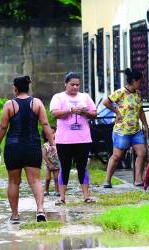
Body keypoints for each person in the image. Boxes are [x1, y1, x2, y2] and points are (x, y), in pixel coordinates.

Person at [0, 75, 55, 223]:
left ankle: (15, 216)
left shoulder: (9, 105)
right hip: (32, 146)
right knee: (35, 181)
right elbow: (46, 125)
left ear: (15, 89)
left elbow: (3, 126)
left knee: (14, 182)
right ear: (28, 88)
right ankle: (40, 210)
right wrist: (52, 144)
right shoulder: (37, 103)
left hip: (13, 147)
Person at [50, 72, 97, 205]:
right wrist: (70, 111)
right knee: (64, 167)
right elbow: (55, 113)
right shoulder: (58, 97)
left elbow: (94, 113)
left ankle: (86, 196)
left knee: (82, 166)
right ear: (66, 84)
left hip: (83, 138)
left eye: (77, 85)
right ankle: (62, 197)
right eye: (72, 85)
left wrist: (84, 112)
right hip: (64, 139)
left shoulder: (85, 97)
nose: (75, 87)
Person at [102, 68, 149, 188]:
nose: (141, 84)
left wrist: (145, 125)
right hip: (122, 130)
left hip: (135, 130)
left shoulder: (138, 94)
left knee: (142, 152)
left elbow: (140, 110)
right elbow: (105, 102)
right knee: (117, 156)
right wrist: (117, 112)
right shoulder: (121, 92)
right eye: (140, 81)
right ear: (134, 81)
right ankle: (107, 180)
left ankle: (138, 179)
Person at [41, 126, 60, 197]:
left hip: (57, 163)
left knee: (56, 178)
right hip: (49, 164)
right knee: (48, 178)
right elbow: (44, 155)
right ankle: (46, 190)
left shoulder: (58, 143)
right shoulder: (45, 145)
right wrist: (49, 164)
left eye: (54, 133)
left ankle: (57, 191)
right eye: (50, 133)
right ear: (46, 136)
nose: (53, 135)